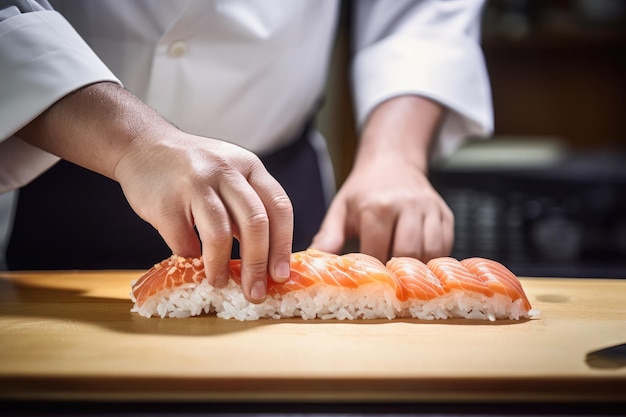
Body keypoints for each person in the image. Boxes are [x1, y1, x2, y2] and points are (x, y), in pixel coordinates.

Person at [0, 0, 493, 303]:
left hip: (281, 194)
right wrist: (133, 143)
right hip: (55, 177)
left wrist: (396, 156)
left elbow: (420, 15)